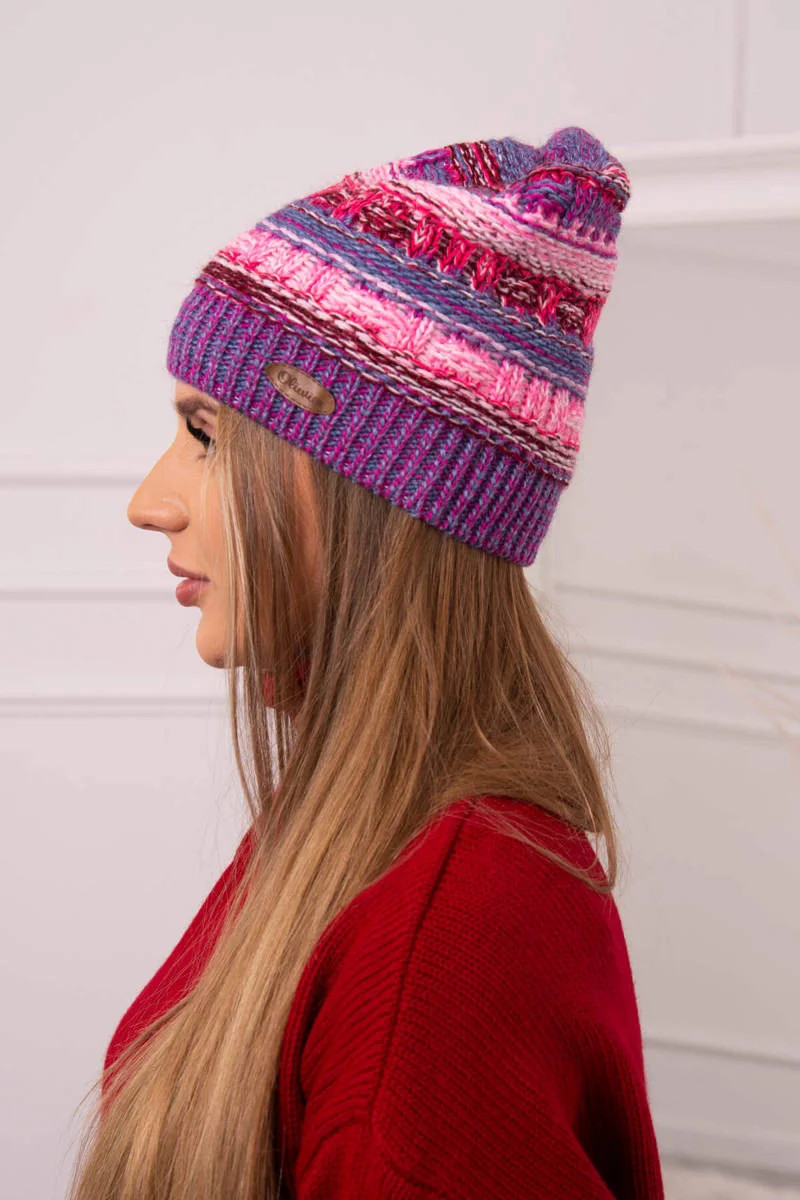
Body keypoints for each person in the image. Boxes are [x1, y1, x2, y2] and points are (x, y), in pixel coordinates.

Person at [68, 127, 665, 1199]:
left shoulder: (441, 946)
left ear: (373, 488)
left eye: (207, 436)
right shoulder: (366, 835)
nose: (151, 502)